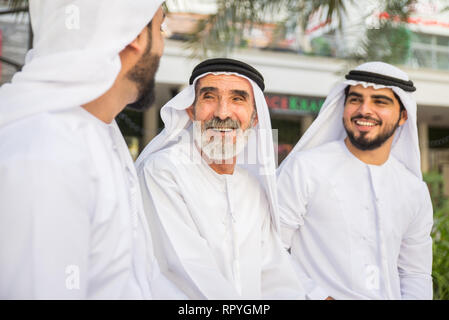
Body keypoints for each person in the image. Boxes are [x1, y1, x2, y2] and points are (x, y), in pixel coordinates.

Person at [0, 0, 181, 299]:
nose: (162, 47)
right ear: (136, 36)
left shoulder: (101, 133)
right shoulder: (47, 152)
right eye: (159, 29)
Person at [135, 58, 306, 299]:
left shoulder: (252, 188)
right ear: (190, 110)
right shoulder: (163, 171)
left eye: (237, 99)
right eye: (209, 97)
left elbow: (274, 275)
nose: (222, 113)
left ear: (254, 118)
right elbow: (186, 272)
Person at [277, 61, 434, 300]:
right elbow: (271, 247)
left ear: (403, 116)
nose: (364, 110)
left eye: (379, 101)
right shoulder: (306, 168)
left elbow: (415, 273)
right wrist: (318, 296)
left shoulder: (414, 190)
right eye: (355, 99)